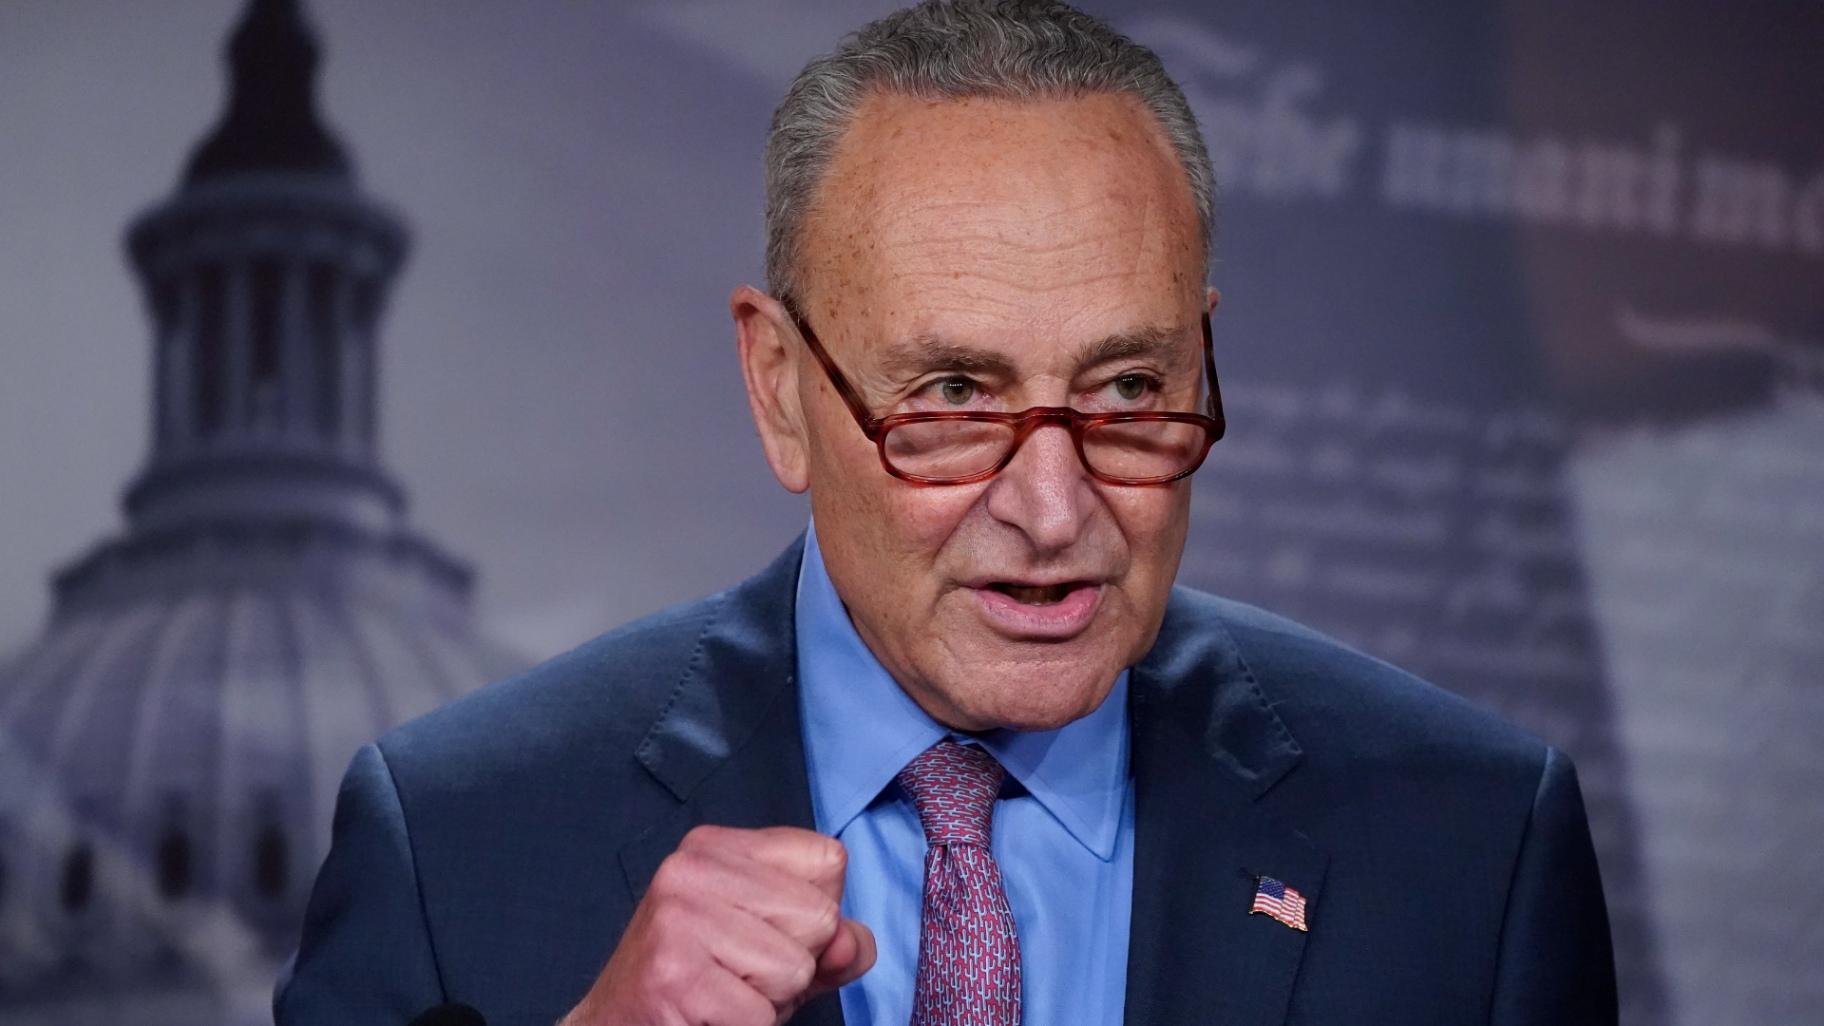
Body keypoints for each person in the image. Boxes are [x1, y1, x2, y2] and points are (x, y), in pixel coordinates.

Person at [275, 2, 1618, 1024]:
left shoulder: (1474, 850)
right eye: (958, 395)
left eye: (1131, 386)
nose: (1053, 507)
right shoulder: (458, 843)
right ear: (782, 389)